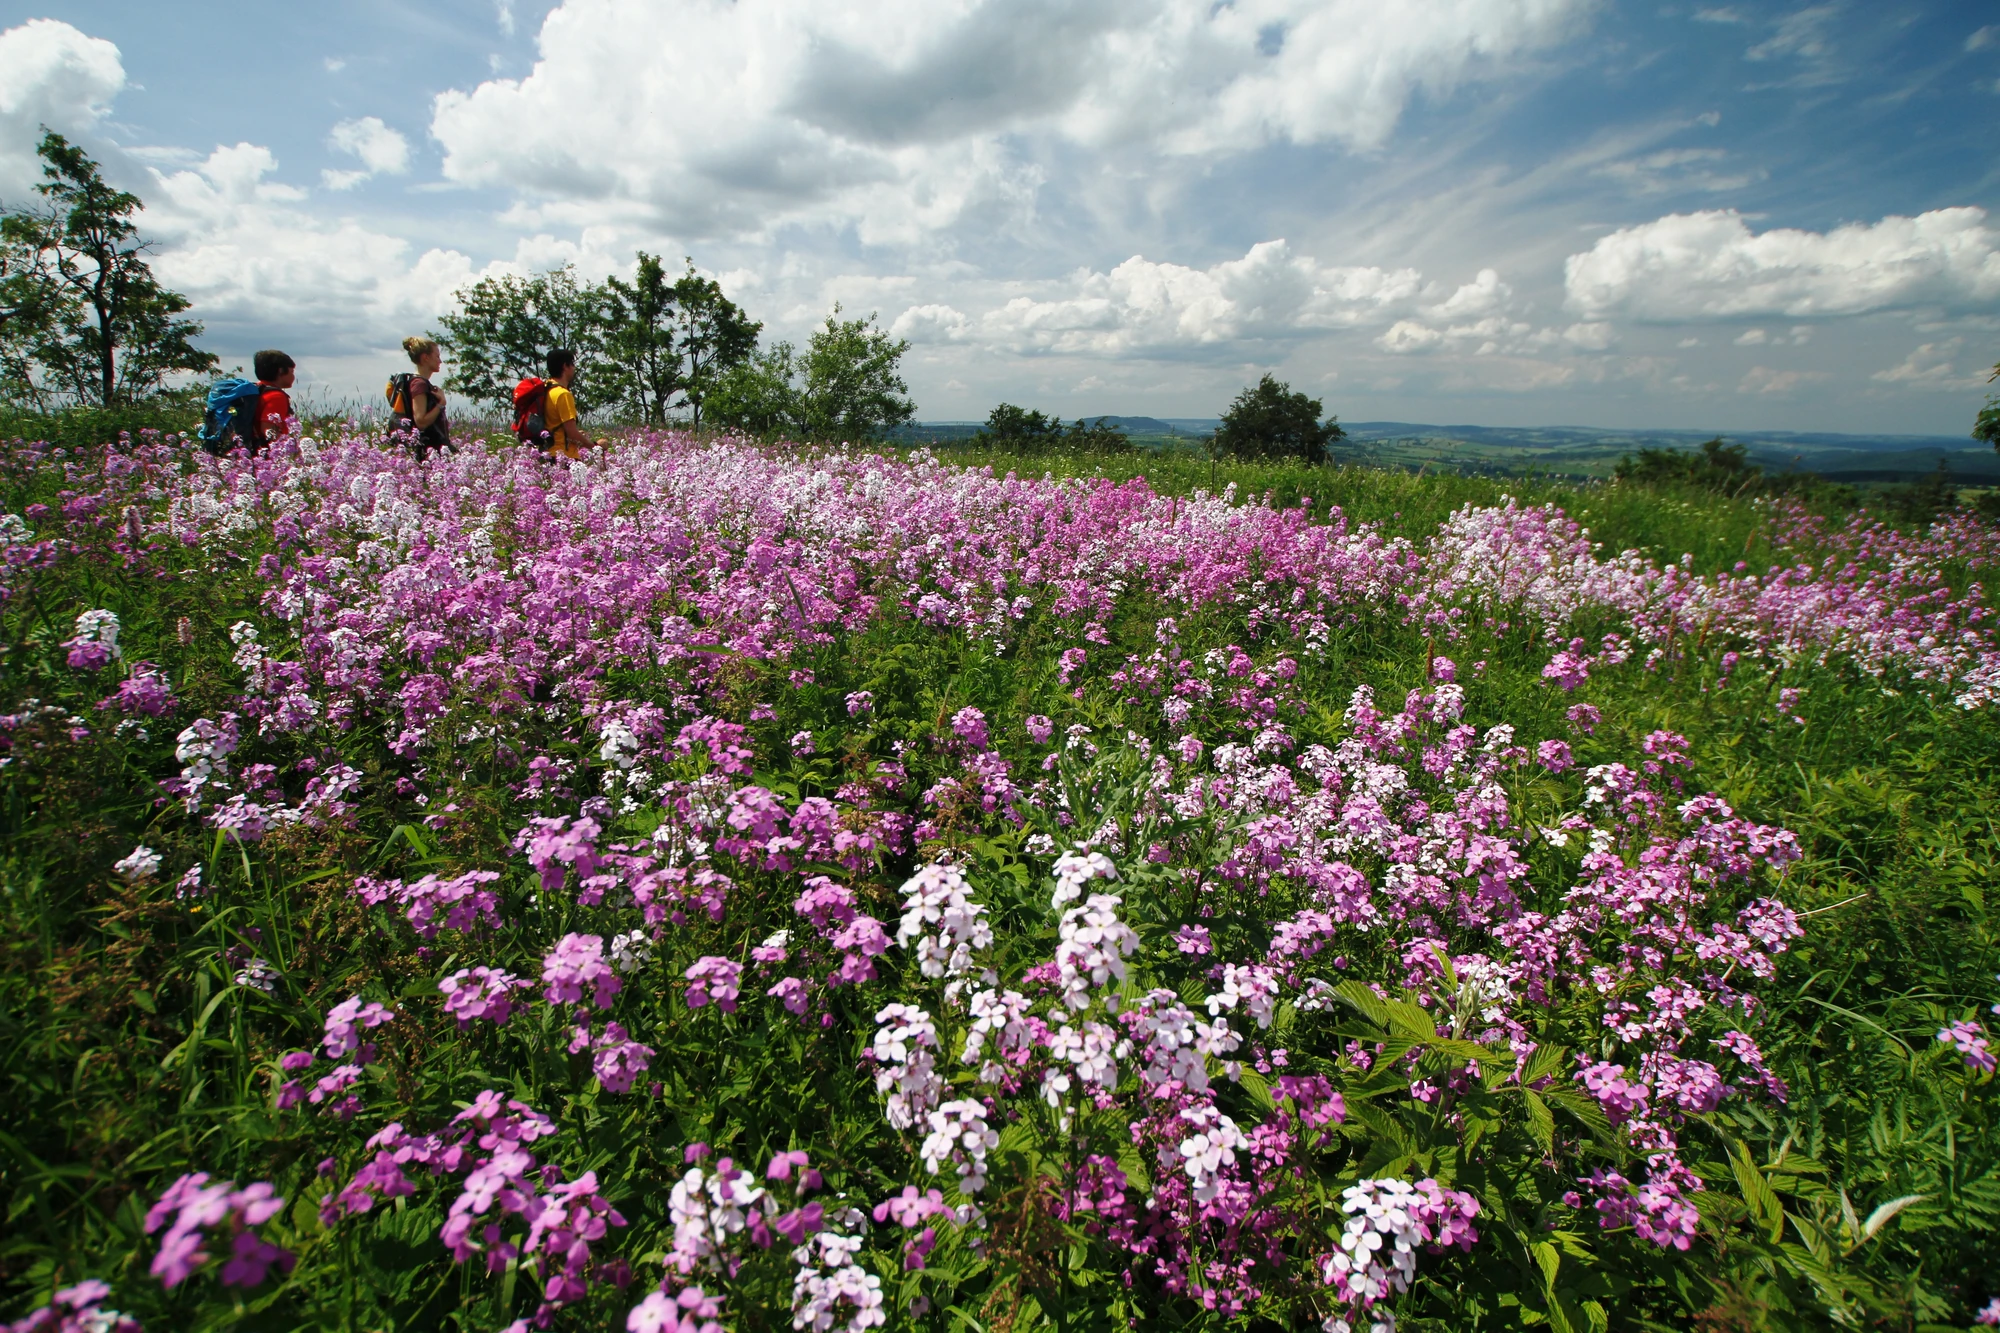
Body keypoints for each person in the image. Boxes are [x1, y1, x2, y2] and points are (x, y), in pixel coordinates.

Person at [391, 336, 452, 460]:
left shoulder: (420, 383)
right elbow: (421, 422)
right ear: (425, 357)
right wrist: (441, 404)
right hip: (426, 452)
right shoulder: (419, 384)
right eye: (437, 356)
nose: (440, 361)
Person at [541, 348, 595, 461]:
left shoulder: (545, 391)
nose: (574, 368)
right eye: (573, 364)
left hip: (547, 454)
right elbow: (572, 434)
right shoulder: (563, 394)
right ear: (565, 366)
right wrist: (595, 446)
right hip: (564, 456)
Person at [253, 349, 296, 450]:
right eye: (291, 371)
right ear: (280, 371)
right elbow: (269, 430)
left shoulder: (256, 390)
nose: (293, 376)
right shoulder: (276, 396)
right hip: (265, 455)